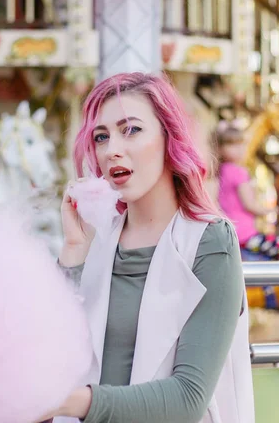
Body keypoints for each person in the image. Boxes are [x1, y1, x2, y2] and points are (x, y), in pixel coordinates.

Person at [48, 72, 254, 423]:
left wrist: (67, 402)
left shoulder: (209, 240)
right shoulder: (97, 238)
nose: (112, 149)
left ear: (168, 137)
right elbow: (52, 353)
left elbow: (188, 397)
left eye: (131, 129)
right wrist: (73, 248)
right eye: (101, 136)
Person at [216, 120, 279, 316]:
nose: (239, 150)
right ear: (220, 148)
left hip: (231, 233)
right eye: (231, 145)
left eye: (240, 144)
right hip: (246, 234)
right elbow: (249, 204)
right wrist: (270, 211)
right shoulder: (239, 172)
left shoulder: (221, 172)